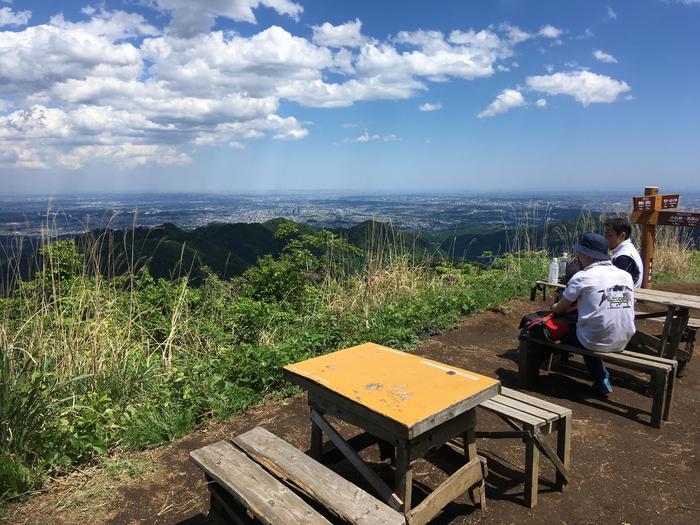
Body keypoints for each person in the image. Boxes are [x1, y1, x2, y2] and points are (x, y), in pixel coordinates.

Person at [552, 233, 635, 395]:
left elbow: (559, 309)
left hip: (592, 340)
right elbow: (612, 303)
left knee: (563, 330)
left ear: (585, 254)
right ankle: (601, 379)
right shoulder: (625, 276)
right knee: (596, 327)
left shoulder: (582, 277)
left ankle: (541, 366)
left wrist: (555, 304)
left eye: (579, 253)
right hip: (624, 338)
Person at [603, 217, 643, 288]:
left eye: (609, 235)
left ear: (622, 236)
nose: (604, 238)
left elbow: (612, 283)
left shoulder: (624, 257)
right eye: (604, 234)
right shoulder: (626, 249)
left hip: (625, 297)